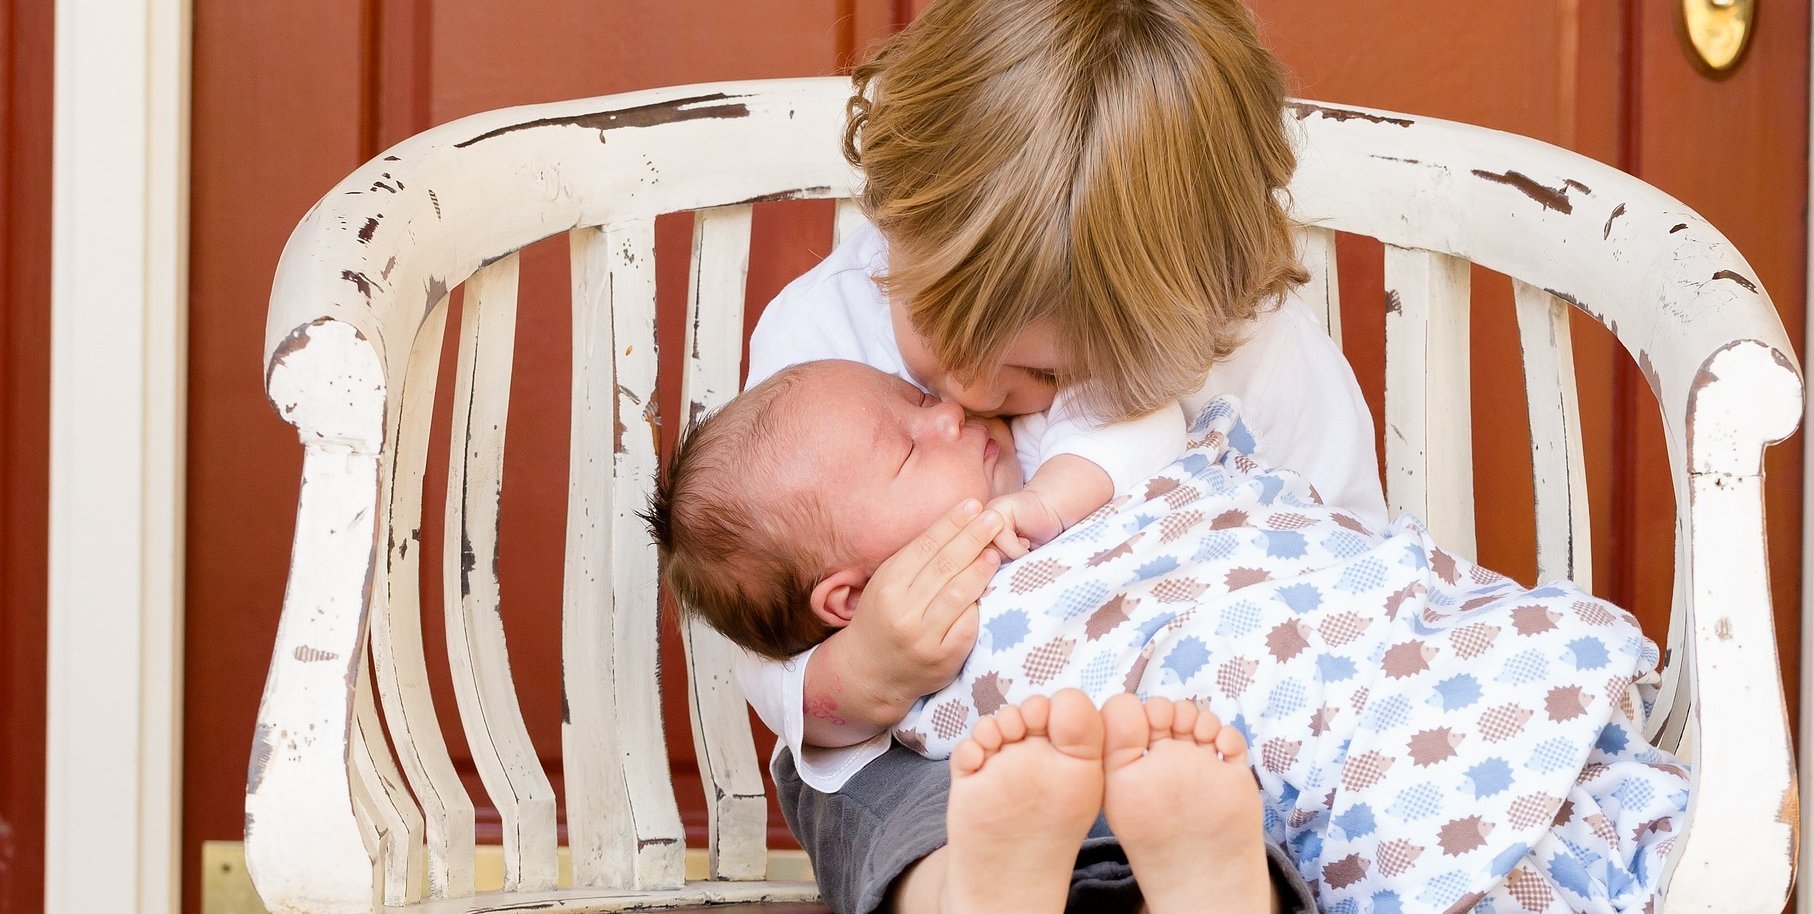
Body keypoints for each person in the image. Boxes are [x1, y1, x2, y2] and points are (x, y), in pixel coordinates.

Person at [722, 1, 1389, 911]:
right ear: (895, 218)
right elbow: (766, 610)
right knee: (883, 798)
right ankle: (967, 887)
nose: (967, 394)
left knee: (1243, 791)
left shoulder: (1254, 349)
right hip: (950, 749)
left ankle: (1213, 886)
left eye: (1044, 371)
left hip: (1202, 729)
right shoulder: (822, 334)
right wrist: (866, 670)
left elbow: (1345, 560)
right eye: (936, 328)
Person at [651, 367, 1687, 914]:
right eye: (907, 450)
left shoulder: (1057, 451)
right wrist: (871, 667)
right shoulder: (942, 628)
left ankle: (1187, 882)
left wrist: (1057, 501)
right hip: (1207, 730)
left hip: (1354, 639)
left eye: (920, 401)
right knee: (998, 765)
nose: (954, 417)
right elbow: (819, 720)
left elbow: (1172, 456)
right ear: (846, 595)